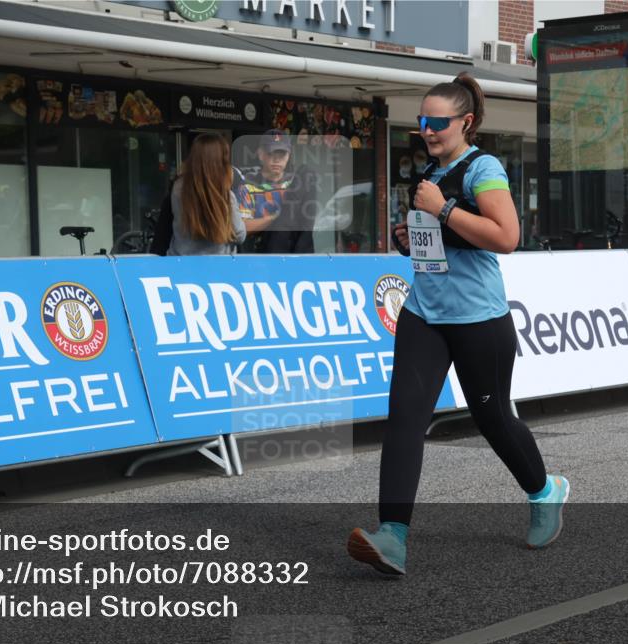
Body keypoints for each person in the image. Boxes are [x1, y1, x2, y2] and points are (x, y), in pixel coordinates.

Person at [348, 73, 569, 576]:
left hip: (478, 321)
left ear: (465, 122)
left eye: (437, 122)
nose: (426, 129)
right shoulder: (430, 168)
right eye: (422, 121)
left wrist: (442, 209)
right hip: (424, 314)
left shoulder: (482, 168)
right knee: (405, 418)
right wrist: (412, 236)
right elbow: (441, 244)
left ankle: (544, 491)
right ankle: (394, 538)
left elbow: (507, 236)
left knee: (493, 420)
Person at [167, 133, 246, 256]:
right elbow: (240, 235)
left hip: (181, 263)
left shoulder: (177, 189)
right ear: (221, 163)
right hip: (217, 267)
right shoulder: (226, 197)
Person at [237, 129, 314, 254]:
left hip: (292, 257)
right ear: (260, 154)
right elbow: (242, 227)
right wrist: (277, 219)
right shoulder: (247, 186)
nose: (277, 159)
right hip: (257, 258)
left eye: (282, 154)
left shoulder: (297, 183)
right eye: (271, 153)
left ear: (289, 156)